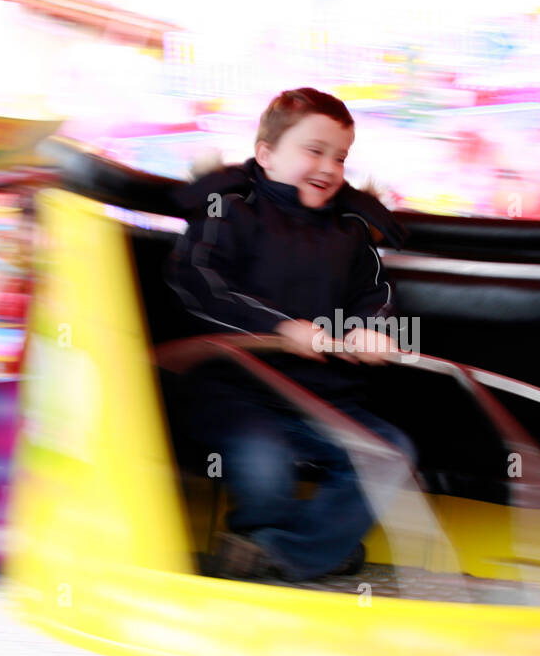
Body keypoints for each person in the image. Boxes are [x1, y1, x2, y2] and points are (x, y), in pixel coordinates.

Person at [167, 88, 417, 582]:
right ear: (266, 154)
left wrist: (372, 328)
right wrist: (277, 328)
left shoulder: (349, 227)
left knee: (389, 456)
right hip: (234, 392)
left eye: (340, 157)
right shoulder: (228, 208)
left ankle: (281, 553)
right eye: (314, 150)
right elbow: (201, 286)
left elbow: (376, 292)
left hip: (321, 397)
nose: (329, 167)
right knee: (265, 464)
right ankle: (301, 551)